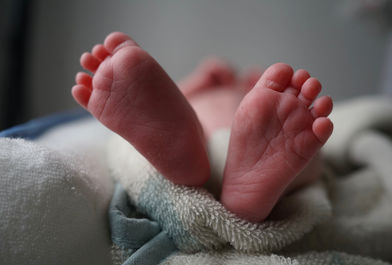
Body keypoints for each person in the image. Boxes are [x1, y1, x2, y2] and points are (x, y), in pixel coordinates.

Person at [71, 32, 333, 222]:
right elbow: (166, 102)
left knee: (298, 137)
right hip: (227, 143)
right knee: (304, 149)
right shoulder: (260, 104)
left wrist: (201, 81)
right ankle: (247, 198)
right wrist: (207, 79)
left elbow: (169, 100)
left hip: (208, 138)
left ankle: (189, 165)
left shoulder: (256, 102)